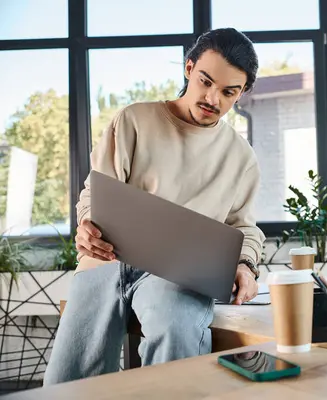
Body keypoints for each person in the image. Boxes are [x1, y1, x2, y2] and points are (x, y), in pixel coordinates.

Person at [44, 28, 266, 385]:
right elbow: (95, 192)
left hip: (180, 274)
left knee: (175, 340)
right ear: (189, 68)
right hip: (106, 260)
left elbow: (244, 227)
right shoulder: (133, 120)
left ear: (243, 92)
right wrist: (86, 222)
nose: (213, 98)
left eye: (229, 92)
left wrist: (245, 265)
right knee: (64, 382)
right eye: (205, 81)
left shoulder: (241, 157)